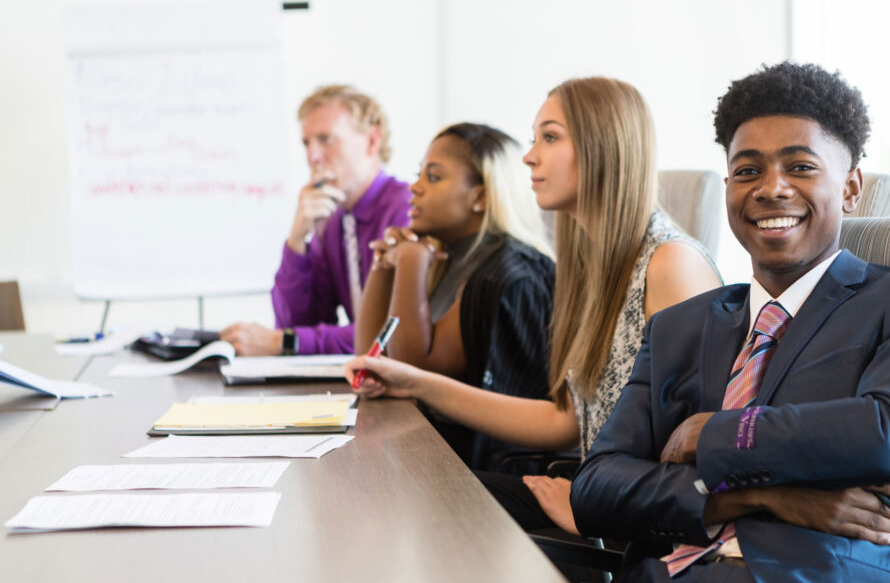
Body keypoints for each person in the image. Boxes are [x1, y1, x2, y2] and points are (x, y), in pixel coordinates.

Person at [569, 62, 890, 583]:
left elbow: (889, 435)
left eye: (801, 166)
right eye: (747, 170)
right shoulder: (682, 326)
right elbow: (596, 487)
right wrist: (762, 496)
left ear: (850, 187)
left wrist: (712, 434)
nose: (771, 188)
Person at [346, 77, 722, 529]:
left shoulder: (669, 264)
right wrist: (415, 383)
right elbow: (566, 421)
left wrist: (592, 507)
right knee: (412, 484)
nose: (528, 156)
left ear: (603, 147)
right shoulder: (588, 266)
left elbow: (695, 455)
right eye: (533, 138)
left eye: (549, 137)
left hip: (633, 520)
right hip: (596, 493)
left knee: (423, 501)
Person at [356, 123, 555, 467]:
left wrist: (411, 260)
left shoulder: (503, 272)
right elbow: (371, 358)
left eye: (433, 177)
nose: (414, 188)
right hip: (438, 455)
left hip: (492, 473)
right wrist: (383, 265)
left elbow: (411, 372)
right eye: (419, 174)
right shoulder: (452, 257)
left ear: (480, 196)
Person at [221, 85, 409, 356]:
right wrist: (298, 239)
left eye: (326, 139)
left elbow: (390, 334)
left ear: (372, 140)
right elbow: (298, 324)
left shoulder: (405, 211)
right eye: (307, 143)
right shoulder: (334, 220)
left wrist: (283, 342)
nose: (312, 156)